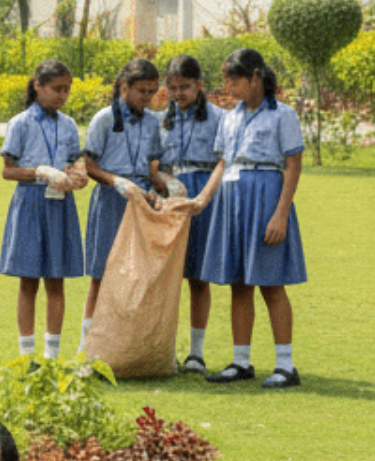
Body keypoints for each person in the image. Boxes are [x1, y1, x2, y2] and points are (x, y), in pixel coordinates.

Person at [189, 48, 307, 389]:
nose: (228, 86)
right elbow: (224, 163)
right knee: (238, 283)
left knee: (271, 283)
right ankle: (242, 361)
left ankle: (285, 365)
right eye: (225, 79)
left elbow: (293, 165)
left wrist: (280, 215)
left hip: (266, 196)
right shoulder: (230, 117)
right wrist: (203, 199)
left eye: (234, 79)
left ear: (255, 76)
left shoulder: (283, 115)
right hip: (232, 200)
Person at [0, 59, 85, 360]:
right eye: (56, 89)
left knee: (56, 280)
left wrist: (77, 175)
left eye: (66, 90)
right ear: (38, 86)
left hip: (60, 204)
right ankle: (26, 355)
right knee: (28, 280)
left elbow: (75, 162)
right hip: (30, 203)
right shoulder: (21, 123)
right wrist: (41, 172)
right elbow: (8, 171)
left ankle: (51, 356)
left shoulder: (69, 125)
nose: (62, 96)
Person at [80, 58, 165, 346]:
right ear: (125, 87)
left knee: (141, 276)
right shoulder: (104, 118)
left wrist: (155, 190)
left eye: (152, 92)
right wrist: (117, 182)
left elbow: (153, 167)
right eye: (142, 91)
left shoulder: (153, 122)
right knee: (100, 276)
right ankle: (87, 346)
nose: (148, 98)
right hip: (110, 200)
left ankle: (133, 345)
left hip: (142, 203)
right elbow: (89, 164)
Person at [157, 55, 222, 374]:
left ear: (200, 85)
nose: (179, 93)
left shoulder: (221, 118)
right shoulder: (160, 120)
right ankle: (163, 349)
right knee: (166, 279)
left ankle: (196, 353)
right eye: (172, 88)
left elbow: (225, 162)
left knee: (197, 277)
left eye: (185, 87)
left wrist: (202, 198)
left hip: (202, 197)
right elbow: (153, 163)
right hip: (168, 196)